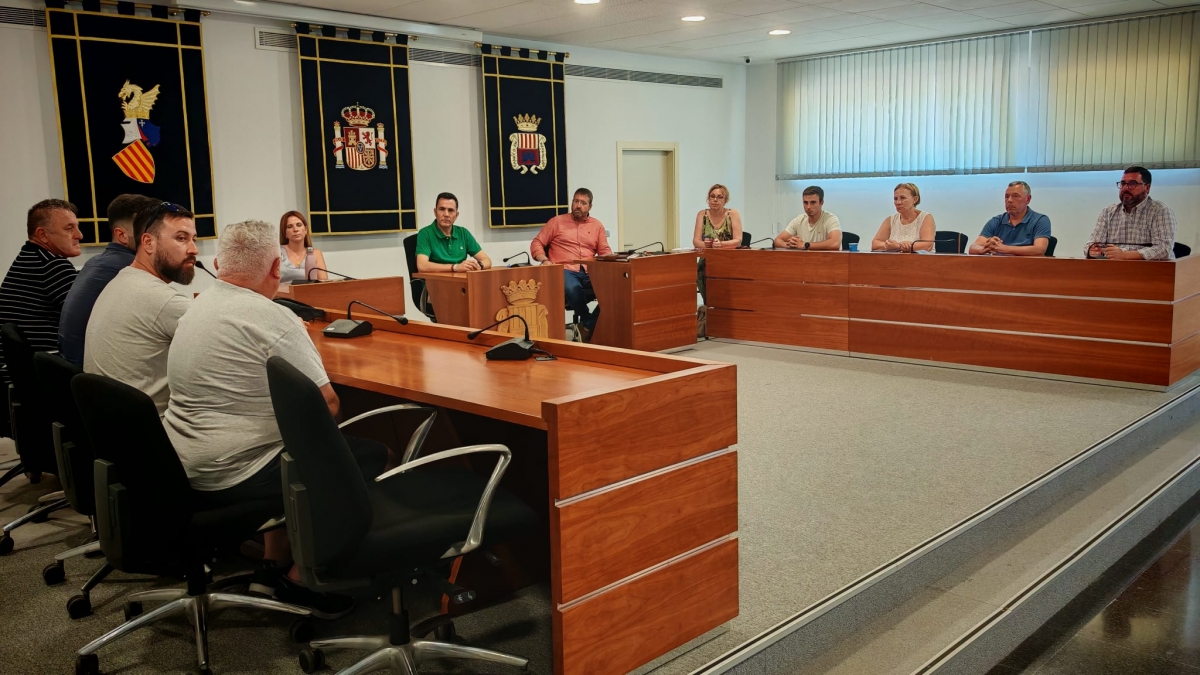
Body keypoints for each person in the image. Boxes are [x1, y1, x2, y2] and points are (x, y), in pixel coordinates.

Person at [163, 219, 389, 618]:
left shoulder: (196, 307)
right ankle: (302, 577)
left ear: (217, 265)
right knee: (367, 453)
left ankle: (274, 560)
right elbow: (328, 405)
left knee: (280, 440)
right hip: (235, 471)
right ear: (274, 268)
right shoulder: (272, 318)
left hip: (182, 466)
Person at [84, 201, 196, 416]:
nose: (194, 249)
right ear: (148, 242)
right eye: (181, 238)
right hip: (152, 429)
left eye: (194, 239)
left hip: (110, 423)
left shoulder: (122, 280)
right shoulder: (163, 300)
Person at [58, 194, 155, 365]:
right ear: (122, 235)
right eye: (148, 230)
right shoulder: (130, 268)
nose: (155, 237)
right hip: (93, 372)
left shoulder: (94, 262)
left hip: (73, 369)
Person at [0, 199, 82, 383]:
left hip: (18, 371)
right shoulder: (53, 266)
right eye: (69, 229)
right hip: (42, 374)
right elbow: (91, 320)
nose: (79, 235)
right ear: (42, 235)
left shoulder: (28, 257)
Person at [530, 188, 612, 343]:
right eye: (576, 201)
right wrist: (544, 260)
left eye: (583, 203)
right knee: (572, 287)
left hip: (589, 271)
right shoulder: (557, 222)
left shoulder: (597, 226)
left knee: (615, 290)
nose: (578, 205)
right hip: (565, 269)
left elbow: (605, 252)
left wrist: (614, 262)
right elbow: (537, 243)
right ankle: (588, 323)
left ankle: (586, 327)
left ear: (590, 206)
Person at [1085, 166, 1177, 260]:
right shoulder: (1108, 212)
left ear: (1147, 187)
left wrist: (1124, 255)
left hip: (1150, 268)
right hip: (1114, 267)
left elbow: (1163, 249)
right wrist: (1093, 250)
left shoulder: (1160, 211)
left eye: (1132, 184)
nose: (1125, 188)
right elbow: (1090, 245)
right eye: (1123, 183)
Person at [414, 193, 493, 273]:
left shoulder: (463, 233)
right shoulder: (425, 233)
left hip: (461, 279)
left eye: (451, 210)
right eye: (442, 209)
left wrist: (478, 266)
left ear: (456, 215)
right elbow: (422, 266)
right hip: (436, 280)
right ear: (435, 212)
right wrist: (454, 267)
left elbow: (487, 260)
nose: (446, 214)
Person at [969, 182, 1052, 256]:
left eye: (1016, 196)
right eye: (1006, 197)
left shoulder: (1040, 220)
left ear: (1028, 199)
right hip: (999, 266)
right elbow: (973, 247)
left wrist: (1005, 249)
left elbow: (1039, 250)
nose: (1009, 200)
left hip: (1027, 266)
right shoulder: (996, 221)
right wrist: (986, 248)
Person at [872, 183, 936, 252]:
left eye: (903, 198)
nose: (898, 202)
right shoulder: (891, 220)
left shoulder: (925, 217)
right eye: (895, 199)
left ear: (915, 199)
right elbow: (875, 244)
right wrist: (887, 246)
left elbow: (927, 245)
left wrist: (899, 247)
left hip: (921, 258)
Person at [774, 186, 841, 250]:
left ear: (821, 203)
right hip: (805, 258)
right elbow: (777, 241)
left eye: (813, 203)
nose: (808, 207)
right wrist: (790, 245)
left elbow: (835, 243)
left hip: (826, 257)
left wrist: (805, 245)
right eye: (805, 203)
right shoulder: (799, 220)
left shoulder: (830, 219)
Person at [279, 211, 327, 283]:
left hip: (310, 290)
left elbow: (323, 283)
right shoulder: (277, 252)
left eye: (299, 225)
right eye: (290, 227)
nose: (295, 229)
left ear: (305, 230)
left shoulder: (315, 253)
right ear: (284, 233)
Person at [691, 184, 743, 249]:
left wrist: (721, 244)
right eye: (712, 196)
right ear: (708, 198)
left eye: (720, 197)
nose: (715, 200)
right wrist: (707, 244)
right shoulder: (702, 214)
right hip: (708, 254)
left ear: (725, 200)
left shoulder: (733, 214)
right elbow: (696, 241)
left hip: (728, 254)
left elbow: (738, 241)